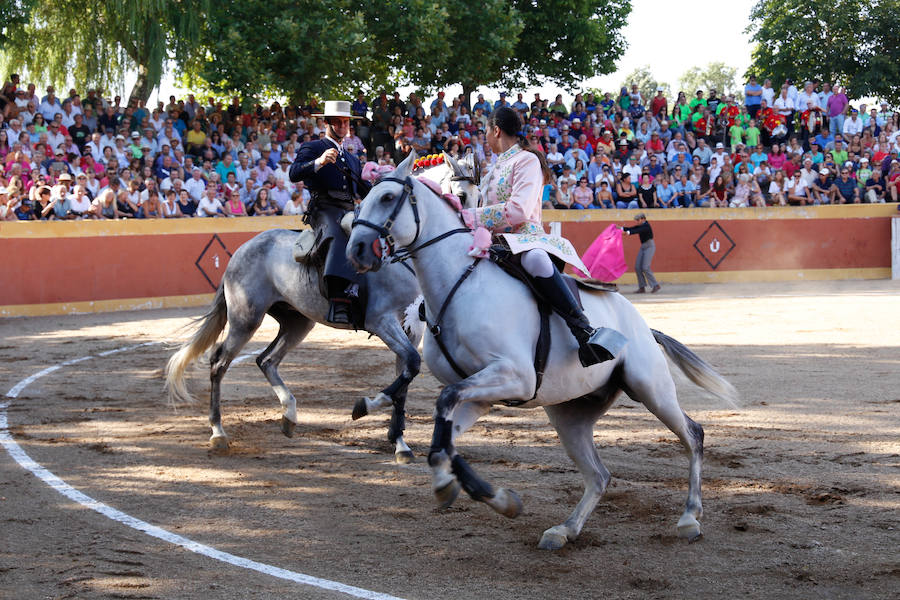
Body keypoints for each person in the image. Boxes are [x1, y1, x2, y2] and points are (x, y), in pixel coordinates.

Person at [462, 106, 625, 366]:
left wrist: (471, 216)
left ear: (496, 130)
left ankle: (583, 330)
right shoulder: (494, 166)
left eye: (486, 133)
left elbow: (519, 210)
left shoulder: (527, 160)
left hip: (524, 239)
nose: (485, 139)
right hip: (492, 243)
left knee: (536, 261)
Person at [289, 100, 369, 325]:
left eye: (346, 122)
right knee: (337, 235)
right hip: (323, 208)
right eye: (338, 122)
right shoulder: (314, 147)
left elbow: (364, 189)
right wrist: (318, 162)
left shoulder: (352, 158)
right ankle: (338, 301)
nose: (344, 126)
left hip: (348, 209)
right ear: (327, 123)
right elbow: (294, 173)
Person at [621, 213, 660, 293]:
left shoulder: (646, 226)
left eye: (638, 220)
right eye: (636, 220)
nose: (637, 221)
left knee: (645, 267)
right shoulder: (641, 225)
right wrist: (621, 228)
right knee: (637, 267)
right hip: (643, 246)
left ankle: (655, 285)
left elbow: (637, 230)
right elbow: (632, 228)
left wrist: (627, 233)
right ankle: (642, 287)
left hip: (649, 246)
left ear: (643, 219)